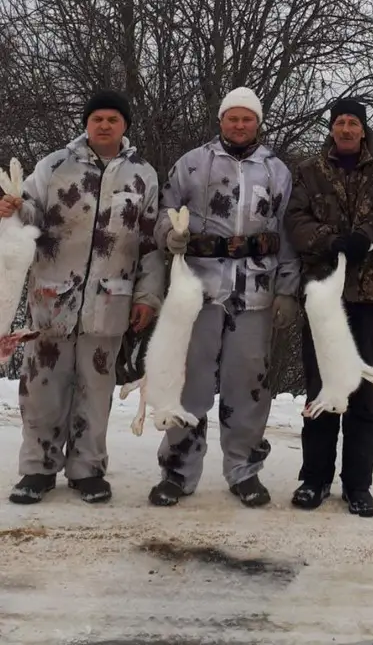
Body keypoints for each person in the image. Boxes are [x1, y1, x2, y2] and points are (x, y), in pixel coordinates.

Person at [2, 90, 165, 505]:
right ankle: (37, 470)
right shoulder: (55, 165)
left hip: (111, 301)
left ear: (124, 125)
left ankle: (88, 470)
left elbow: (149, 243)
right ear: (87, 124)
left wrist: (147, 298)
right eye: (98, 119)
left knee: (96, 389)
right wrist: (13, 209)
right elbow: (31, 216)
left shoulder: (142, 174)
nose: (105, 125)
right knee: (42, 388)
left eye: (113, 118)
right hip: (52, 298)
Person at [149, 87, 300, 509]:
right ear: (221, 121)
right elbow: (163, 211)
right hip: (198, 291)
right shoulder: (194, 163)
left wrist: (287, 289)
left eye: (247, 118)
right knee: (190, 382)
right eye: (232, 118)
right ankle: (178, 470)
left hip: (254, 292)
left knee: (248, 385)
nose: (239, 124)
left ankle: (243, 470)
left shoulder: (276, 171)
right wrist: (171, 234)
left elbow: (289, 235)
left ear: (258, 122)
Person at [285, 98, 373, 518]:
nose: (346, 129)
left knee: (364, 394)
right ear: (331, 128)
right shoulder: (308, 171)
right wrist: (328, 240)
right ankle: (314, 479)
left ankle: (358, 486)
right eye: (340, 122)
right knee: (322, 389)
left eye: (353, 123)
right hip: (324, 296)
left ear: (363, 129)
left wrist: (368, 233)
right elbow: (294, 219)